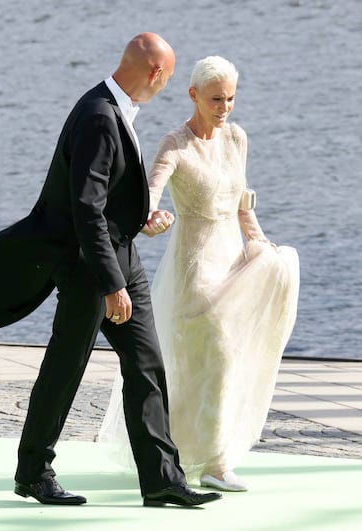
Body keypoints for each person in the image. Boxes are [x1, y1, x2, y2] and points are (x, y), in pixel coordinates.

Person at [0, 35, 222, 508]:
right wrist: (110, 284)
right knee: (66, 366)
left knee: (146, 364)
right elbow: (85, 210)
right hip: (88, 266)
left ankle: (161, 479)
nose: (167, 85)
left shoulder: (115, 110)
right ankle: (34, 473)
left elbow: (106, 200)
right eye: (170, 77)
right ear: (157, 73)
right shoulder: (99, 116)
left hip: (121, 255)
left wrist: (141, 218)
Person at [99, 56, 300, 492]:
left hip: (232, 257)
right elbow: (148, 194)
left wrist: (258, 241)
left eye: (230, 98)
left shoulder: (237, 138)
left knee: (223, 358)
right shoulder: (175, 144)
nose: (224, 106)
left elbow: (241, 202)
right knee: (211, 354)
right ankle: (206, 460)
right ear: (193, 95)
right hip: (195, 265)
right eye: (215, 99)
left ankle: (207, 455)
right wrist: (151, 218)